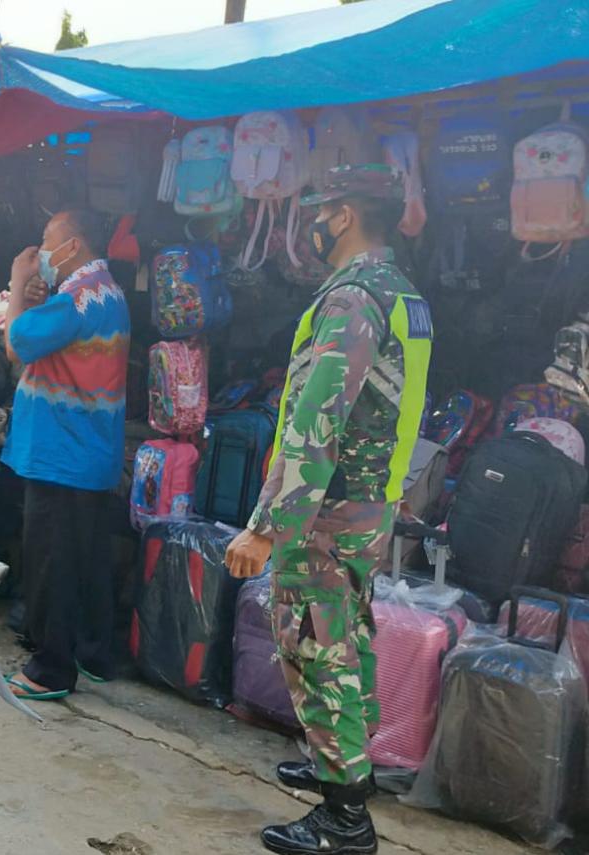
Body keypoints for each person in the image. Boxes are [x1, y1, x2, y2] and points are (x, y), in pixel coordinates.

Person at [225, 164, 432, 855]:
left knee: (321, 647)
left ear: (342, 214)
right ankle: (335, 764)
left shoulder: (354, 298)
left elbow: (317, 423)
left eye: (317, 208)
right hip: (367, 501)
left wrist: (265, 527)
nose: (310, 222)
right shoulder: (401, 292)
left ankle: (346, 817)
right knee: (341, 638)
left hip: (331, 508)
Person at [0, 208, 130, 701]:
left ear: (71, 247)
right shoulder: (108, 292)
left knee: (52, 560)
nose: (40, 253)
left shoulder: (77, 297)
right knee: (89, 560)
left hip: (60, 451)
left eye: (45, 242)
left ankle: (49, 669)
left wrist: (16, 284)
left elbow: (16, 344)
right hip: (91, 452)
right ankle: (93, 654)